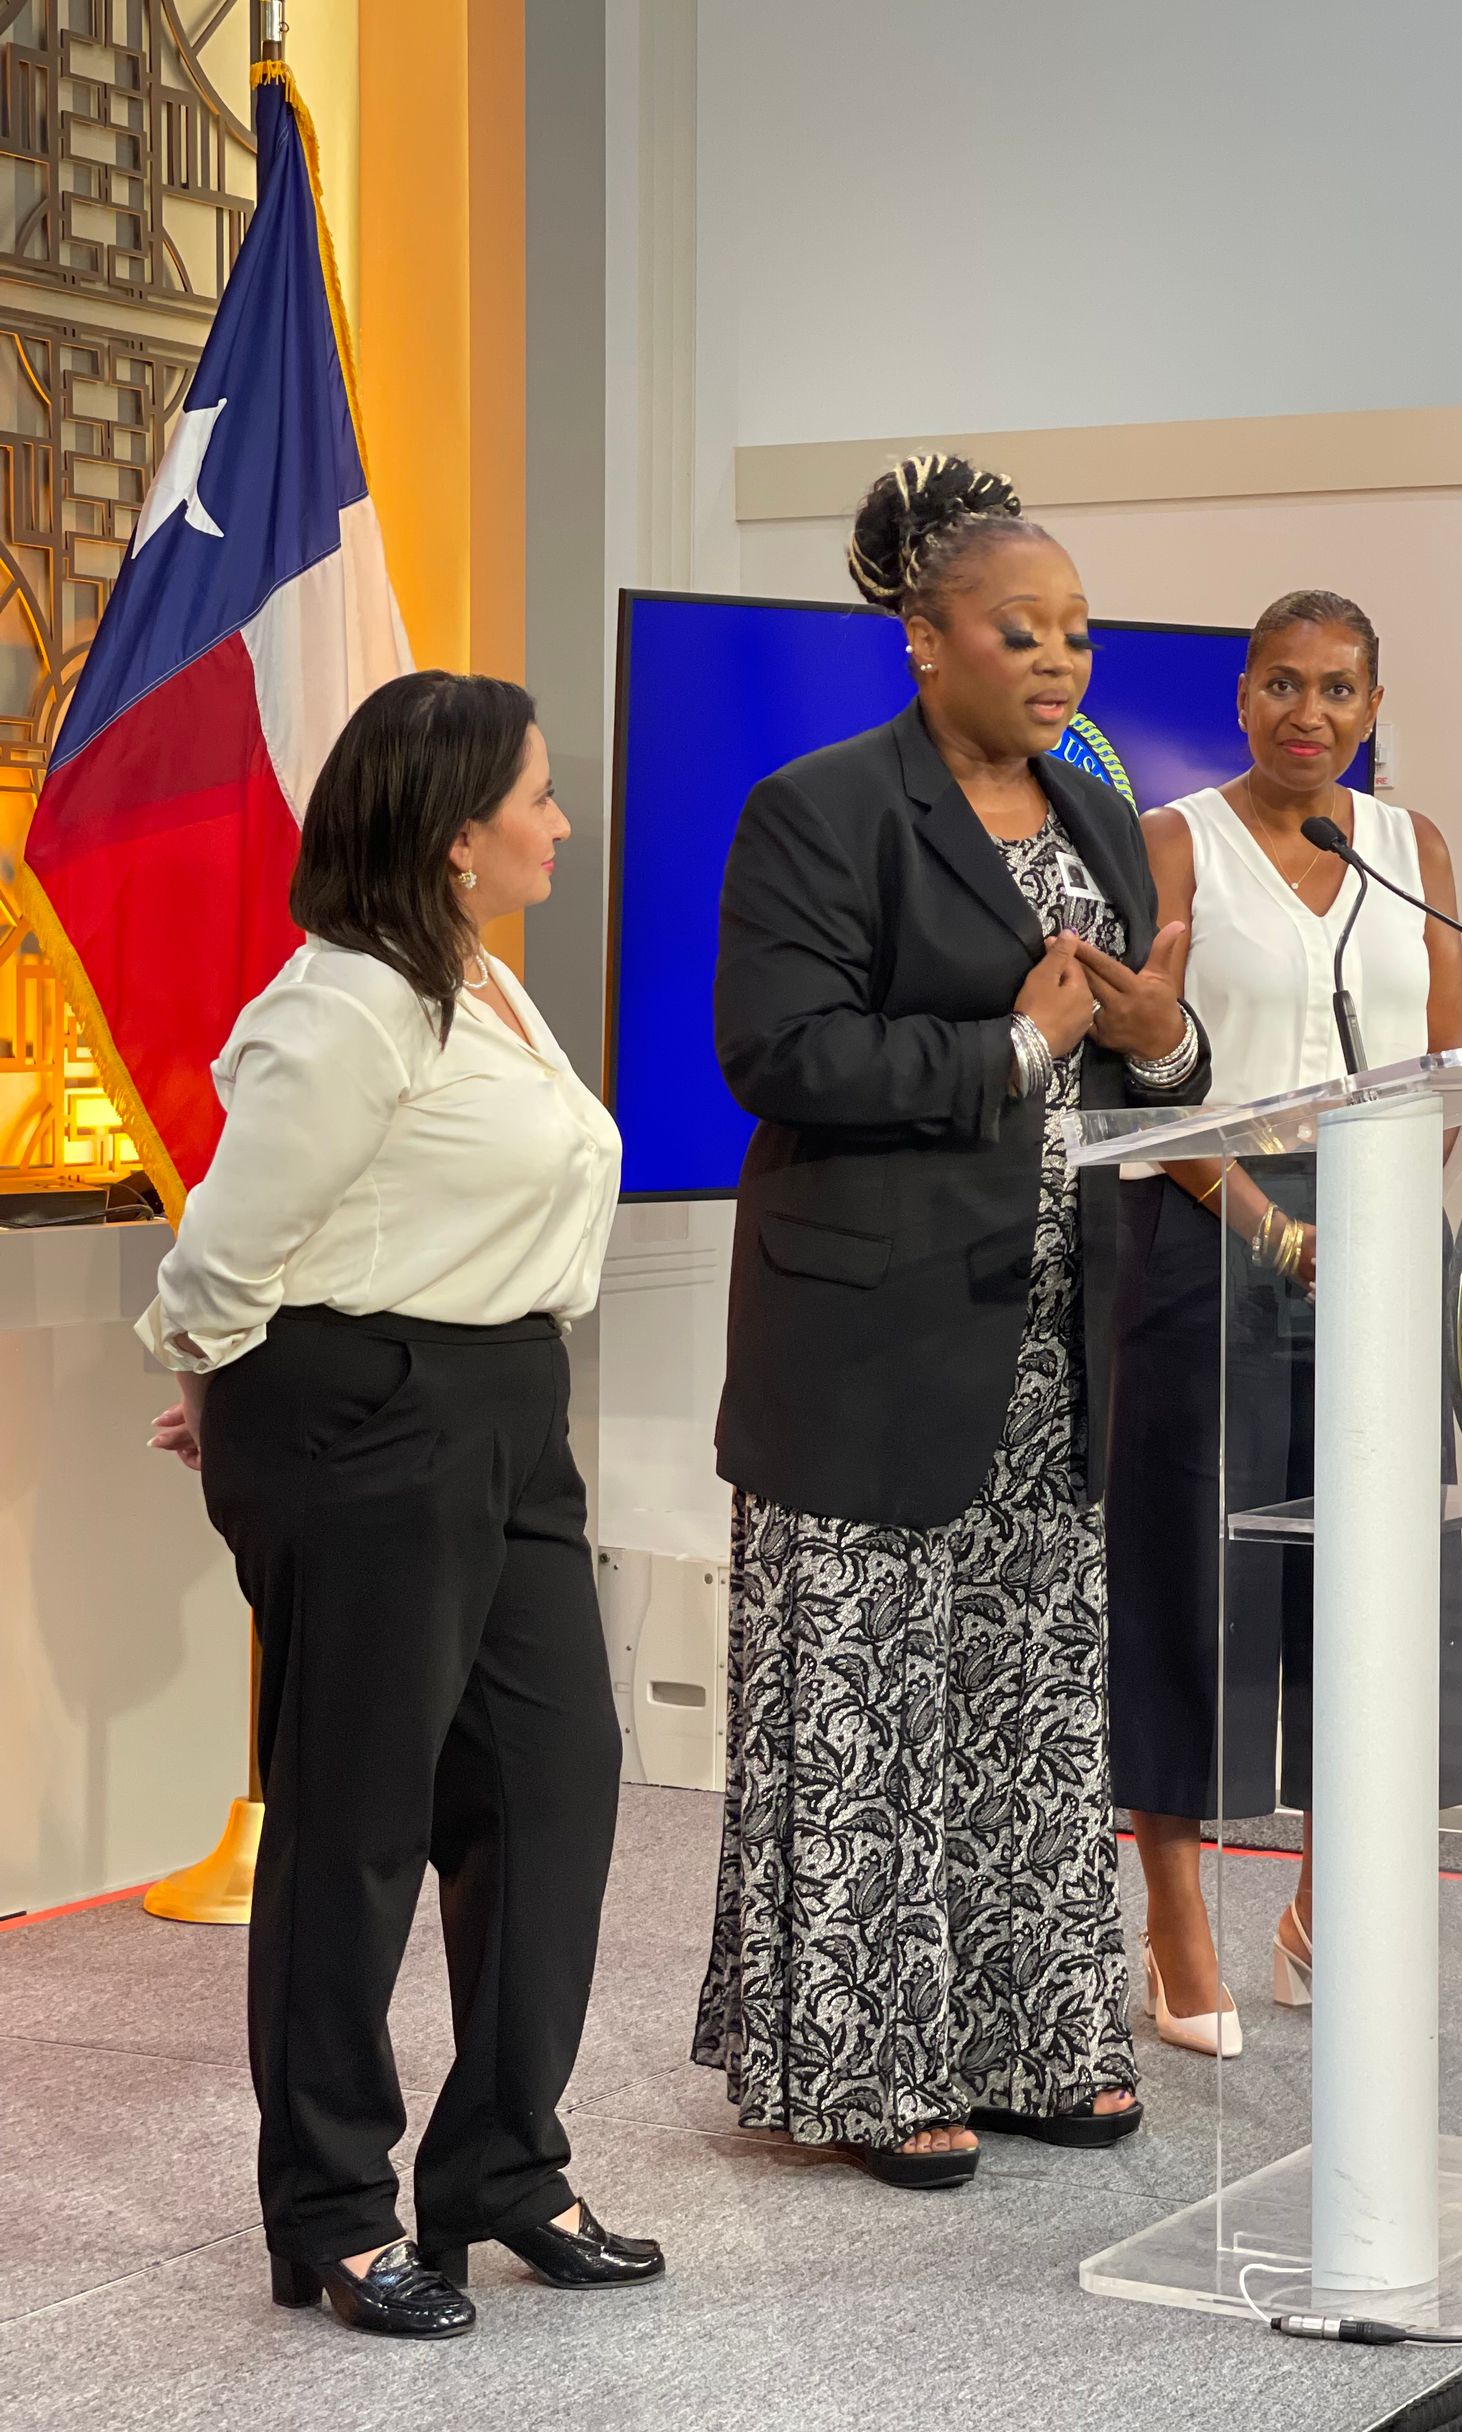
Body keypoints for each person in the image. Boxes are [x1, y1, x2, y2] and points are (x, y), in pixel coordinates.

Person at [691, 454, 1210, 2188]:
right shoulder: (821, 810)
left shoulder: (1088, 822)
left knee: (1022, 1704)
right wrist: (1010, 1049)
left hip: (1054, 1342)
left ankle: (1028, 2037)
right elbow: (777, 1054)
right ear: (927, 642)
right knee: (872, 1713)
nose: (1060, 660)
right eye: (1022, 628)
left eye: (1076, 631)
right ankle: (861, 2068)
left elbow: (1138, 1062)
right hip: (874, 1341)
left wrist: (1161, 1038)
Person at [143, 672, 663, 2338]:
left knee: (555, 1780)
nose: (559, 822)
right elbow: (227, 1248)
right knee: (357, 1825)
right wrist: (232, 1382)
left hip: (507, 1406)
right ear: (454, 841)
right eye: (535, 797)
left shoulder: (482, 989)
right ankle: (332, 2210)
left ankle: (504, 2167)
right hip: (372, 1415)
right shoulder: (345, 1007)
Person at [1104, 590, 1462, 2056]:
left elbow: (1442, 1066)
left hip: (1378, 1239)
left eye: (1337, 690)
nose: (1308, 715)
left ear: (1375, 707)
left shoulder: (1410, 850)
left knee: (1367, 1580)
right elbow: (1150, 1076)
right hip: (1212, 1238)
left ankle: (1330, 1913)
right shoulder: (1174, 842)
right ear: (1241, 696)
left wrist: (1372, 1226)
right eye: (1280, 686)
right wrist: (1275, 1227)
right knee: (1199, 1584)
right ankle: (1177, 1928)